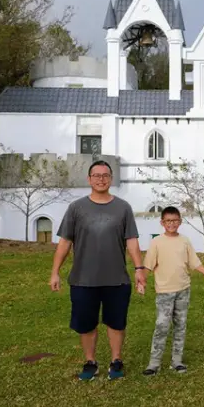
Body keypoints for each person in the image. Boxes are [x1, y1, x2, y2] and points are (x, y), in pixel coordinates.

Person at [49, 160, 146, 381]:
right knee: (86, 323)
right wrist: (55, 272)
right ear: (89, 179)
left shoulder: (123, 208)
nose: (101, 179)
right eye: (96, 175)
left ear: (111, 179)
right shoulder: (76, 208)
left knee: (116, 322)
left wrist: (139, 268)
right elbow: (65, 242)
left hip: (116, 279)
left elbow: (131, 241)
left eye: (105, 175)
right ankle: (90, 362)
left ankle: (116, 361)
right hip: (83, 279)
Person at [142, 206, 204, 376]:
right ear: (162, 222)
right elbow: (148, 265)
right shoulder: (156, 242)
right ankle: (154, 363)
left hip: (183, 290)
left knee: (180, 325)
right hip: (164, 292)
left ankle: (177, 361)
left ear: (180, 222)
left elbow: (195, 263)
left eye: (175, 220)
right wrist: (142, 280)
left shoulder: (184, 241)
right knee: (162, 325)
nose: (172, 224)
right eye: (168, 221)